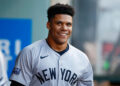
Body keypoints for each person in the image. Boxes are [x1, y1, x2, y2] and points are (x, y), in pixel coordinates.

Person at [10, 3, 93, 86]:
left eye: (68, 24)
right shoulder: (29, 53)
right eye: (59, 23)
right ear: (48, 25)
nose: (64, 28)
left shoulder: (82, 59)